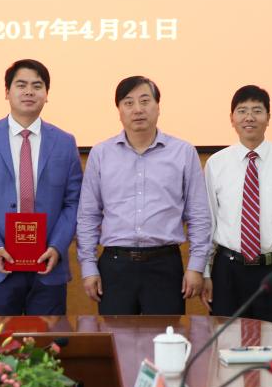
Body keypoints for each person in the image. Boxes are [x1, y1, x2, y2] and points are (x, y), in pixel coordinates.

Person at [76, 76, 211, 315]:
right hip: (115, 266)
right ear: (119, 111)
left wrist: (196, 266)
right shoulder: (101, 154)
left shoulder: (183, 152)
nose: (137, 109)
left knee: (165, 336)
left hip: (164, 265)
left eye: (145, 101)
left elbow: (198, 214)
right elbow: (88, 215)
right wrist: (88, 266)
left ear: (158, 107)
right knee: (116, 336)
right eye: (128, 103)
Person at [0, 59, 82, 316]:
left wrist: (57, 247)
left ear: (46, 94)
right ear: (7, 92)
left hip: (48, 265)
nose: (29, 92)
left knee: (49, 340)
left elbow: (74, 201)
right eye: (21, 85)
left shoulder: (64, 142)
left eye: (37, 86)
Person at [201, 85, 272, 332]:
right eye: (242, 111)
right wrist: (206, 272)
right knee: (227, 344)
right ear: (232, 118)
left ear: (268, 117)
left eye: (257, 111)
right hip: (228, 271)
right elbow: (209, 222)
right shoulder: (216, 164)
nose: (249, 117)